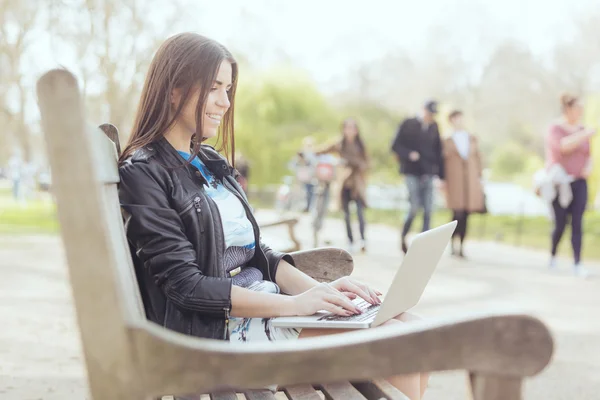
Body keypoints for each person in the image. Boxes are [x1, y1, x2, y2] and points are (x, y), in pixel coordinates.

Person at [117, 33, 429, 398]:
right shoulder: (144, 172)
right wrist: (293, 306)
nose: (225, 101)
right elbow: (187, 286)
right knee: (398, 342)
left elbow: (257, 254)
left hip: (267, 308)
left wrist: (322, 293)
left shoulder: (210, 162)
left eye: (228, 89)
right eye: (214, 87)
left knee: (409, 326)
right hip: (214, 334)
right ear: (174, 89)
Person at [545, 94, 595, 277]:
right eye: (577, 109)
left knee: (577, 222)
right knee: (560, 223)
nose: (580, 112)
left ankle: (577, 262)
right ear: (568, 109)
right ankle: (553, 255)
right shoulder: (555, 128)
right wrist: (585, 133)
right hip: (561, 183)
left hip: (579, 182)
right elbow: (562, 147)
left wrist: (588, 167)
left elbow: (588, 153)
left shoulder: (582, 129)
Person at [391, 100, 444, 254]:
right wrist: (408, 154)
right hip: (411, 172)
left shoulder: (434, 127)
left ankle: (423, 245)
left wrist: (441, 176)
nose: (431, 116)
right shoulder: (408, 123)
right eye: (429, 112)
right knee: (413, 208)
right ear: (423, 110)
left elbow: (438, 152)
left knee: (428, 210)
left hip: (428, 173)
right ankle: (403, 236)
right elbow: (395, 146)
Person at [317, 118, 369, 253]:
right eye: (347, 127)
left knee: (360, 212)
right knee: (346, 214)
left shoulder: (361, 145)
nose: (350, 130)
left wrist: (354, 163)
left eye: (353, 128)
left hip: (357, 184)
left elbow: (367, 163)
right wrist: (310, 152)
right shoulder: (339, 144)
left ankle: (363, 239)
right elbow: (323, 150)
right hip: (344, 183)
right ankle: (350, 241)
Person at [440, 110, 485, 258]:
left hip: (469, 182)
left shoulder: (471, 138)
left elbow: (478, 159)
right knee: (456, 213)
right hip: (455, 181)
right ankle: (453, 244)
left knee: (466, 214)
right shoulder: (447, 139)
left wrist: (480, 178)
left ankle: (462, 246)